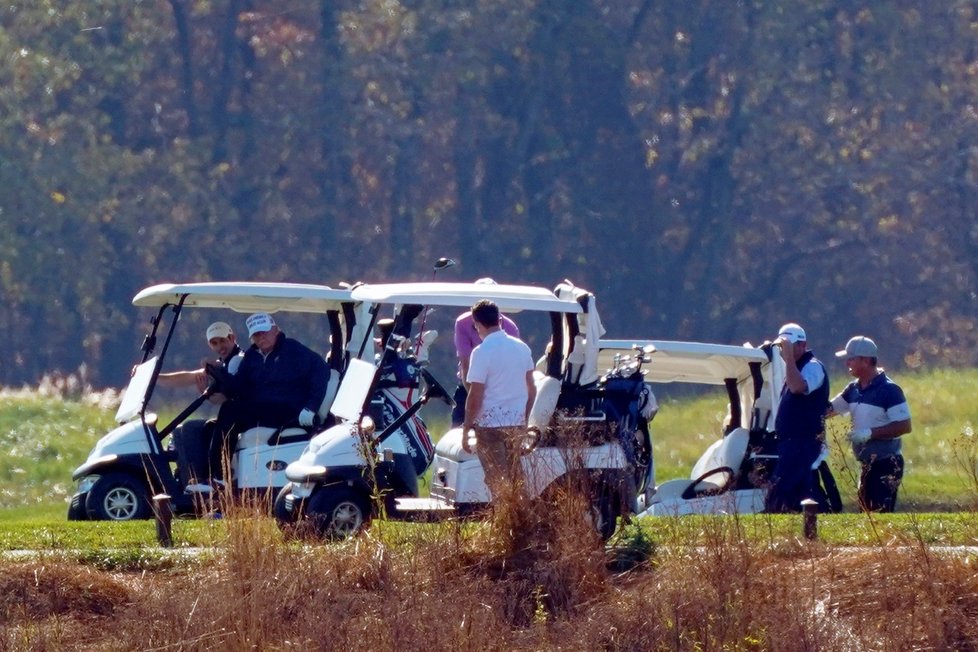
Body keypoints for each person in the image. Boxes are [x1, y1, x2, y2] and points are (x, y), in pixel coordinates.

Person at [209, 312, 330, 480]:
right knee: (214, 424)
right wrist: (218, 373)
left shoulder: (292, 350)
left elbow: (321, 371)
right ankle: (217, 475)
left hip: (289, 410)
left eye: (264, 332)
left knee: (231, 410)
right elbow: (238, 387)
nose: (261, 338)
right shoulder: (252, 356)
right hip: (263, 410)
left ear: (275, 330)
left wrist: (311, 407)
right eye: (256, 335)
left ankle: (218, 475)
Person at [461, 300, 536, 501]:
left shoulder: (481, 352)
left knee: (497, 480)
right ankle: (522, 520)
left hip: (489, 427)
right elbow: (532, 389)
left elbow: (475, 395)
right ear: (499, 319)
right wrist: (525, 419)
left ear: (477, 324)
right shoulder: (522, 348)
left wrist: (467, 426)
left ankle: (506, 523)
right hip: (516, 424)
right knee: (515, 478)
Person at [827, 336, 912, 512]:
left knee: (879, 514)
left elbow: (904, 425)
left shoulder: (889, 390)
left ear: (865, 360)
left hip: (887, 463)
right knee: (865, 513)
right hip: (867, 464)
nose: (847, 363)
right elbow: (829, 410)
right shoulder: (853, 389)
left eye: (851, 359)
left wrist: (869, 433)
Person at [764, 322, 830, 513]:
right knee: (802, 490)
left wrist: (790, 360)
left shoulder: (812, 367)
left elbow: (797, 387)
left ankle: (773, 518)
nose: (784, 353)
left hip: (803, 441)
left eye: (788, 347)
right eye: (782, 349)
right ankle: (818, 520)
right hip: (791, 442)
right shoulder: (794, 368)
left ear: (802, 345)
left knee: (780, 488)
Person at [451, 278, 520, 427]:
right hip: (468, 385)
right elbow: (466, 364)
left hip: (499, 391)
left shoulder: (510, 327)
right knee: (457, 428)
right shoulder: (462, 323)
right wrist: (475, 398)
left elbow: (511, 366)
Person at [157, 321, 243, 402]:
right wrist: (154, 378)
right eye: (214, 343)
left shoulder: (241, 360)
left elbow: (229, 397)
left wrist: (216, 364)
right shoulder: (223, 365)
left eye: (222, 341)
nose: (220, 346)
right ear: (210, 345)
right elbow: (221, 399)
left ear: (232, 338)